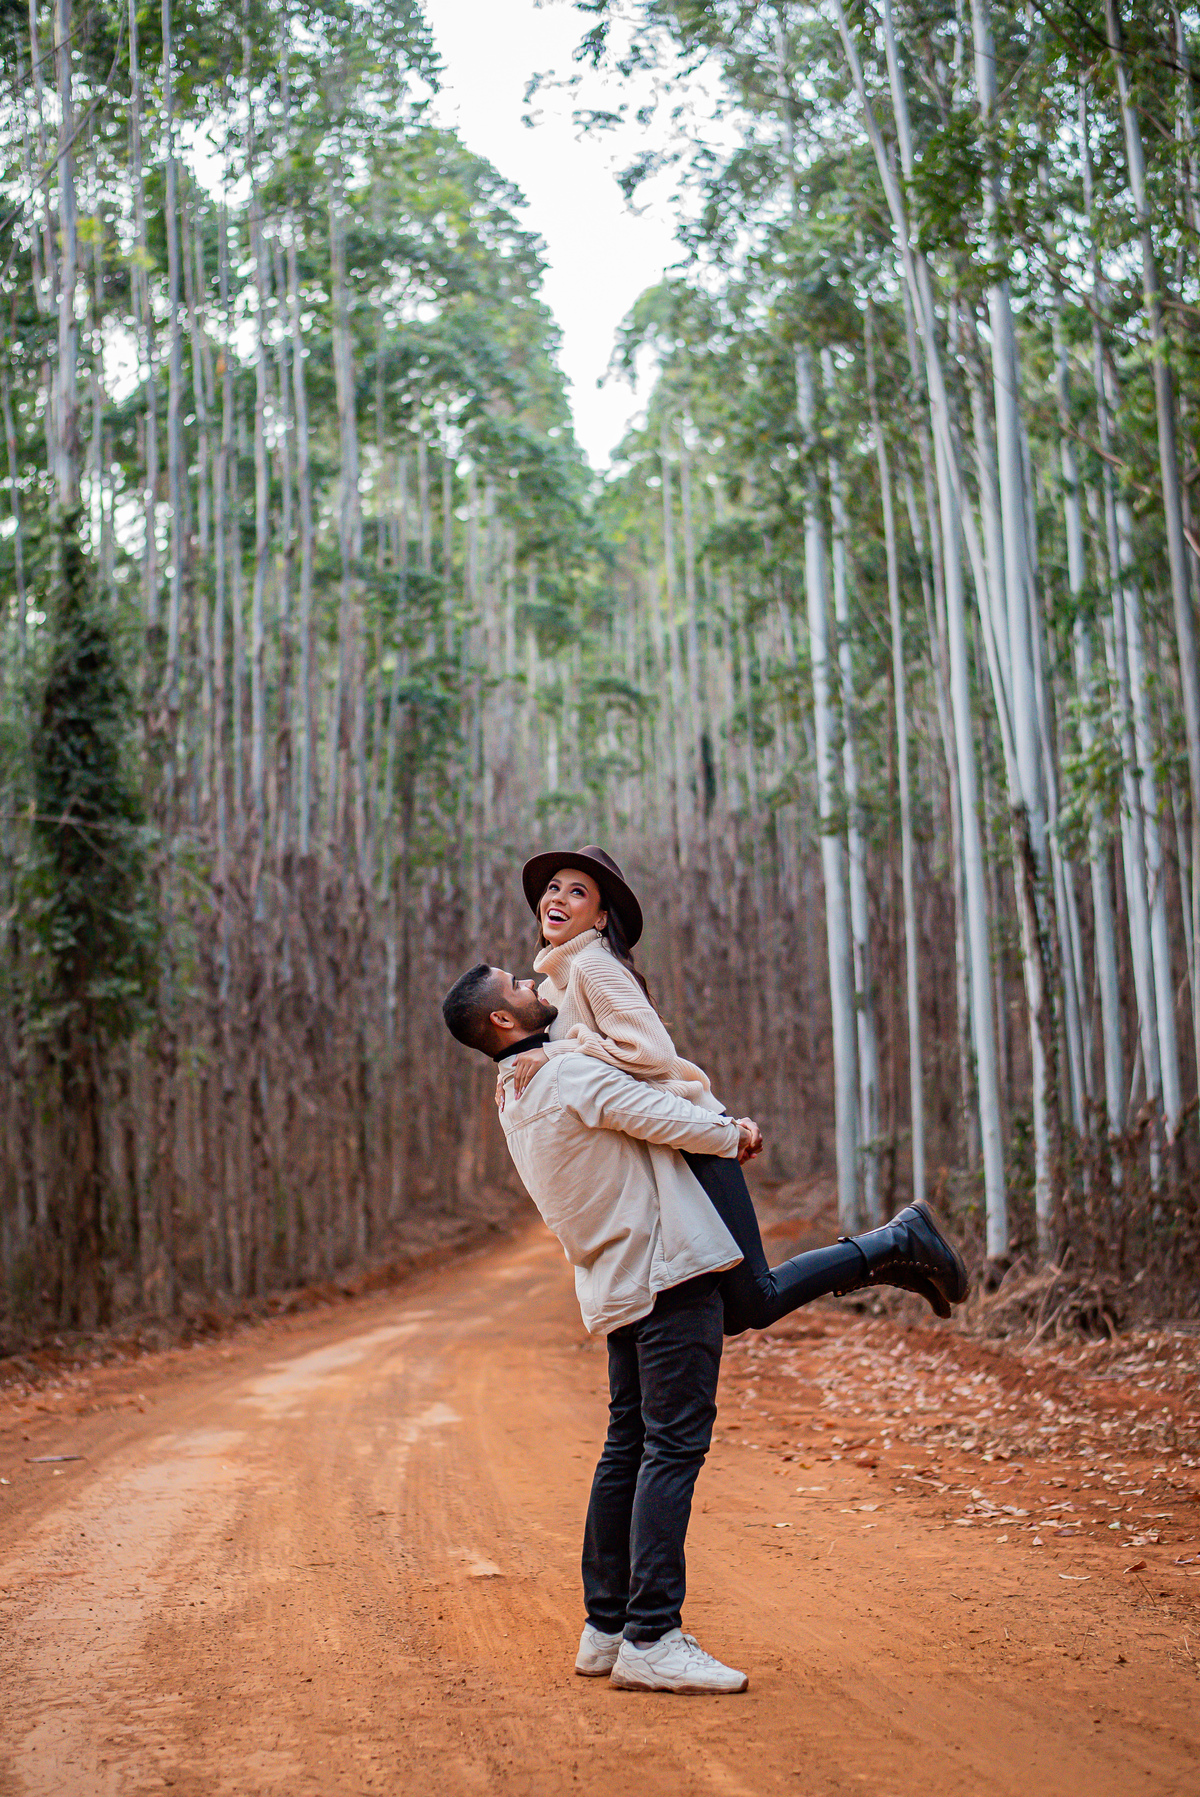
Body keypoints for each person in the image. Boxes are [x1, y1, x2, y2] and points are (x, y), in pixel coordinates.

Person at [441, 958, 967, 1695]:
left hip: (621, 1284)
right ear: (503, 1019)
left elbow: (589, 1042)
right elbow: (654, 1111)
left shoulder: (514, 1091)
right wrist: (731, 1131)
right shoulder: (565, 1076)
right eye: (519, 987)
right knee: (673, 1447)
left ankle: (608, 1627)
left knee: (628, 1447)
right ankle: (652, 1635)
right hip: (669, 1273)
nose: (534, 987)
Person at [506, 846, 969, 1327]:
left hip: (692, 1135)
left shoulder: (593, 966)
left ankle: (897, 1243)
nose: (557, 898)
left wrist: (558, 1053)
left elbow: (652, 1053)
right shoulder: (553, 986)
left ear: (601, 918)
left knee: (753, 1299)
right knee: (732, 1308)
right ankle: (893, 1256)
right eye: (553, 888)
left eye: (577, 892)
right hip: (666, 1147)